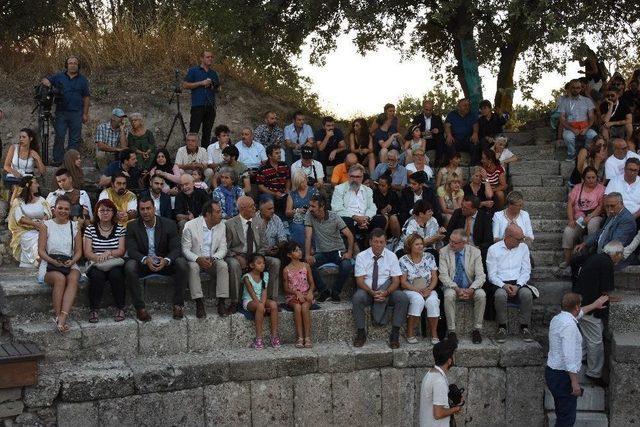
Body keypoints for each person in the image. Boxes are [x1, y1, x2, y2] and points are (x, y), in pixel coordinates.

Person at [546, 293, 610, 427]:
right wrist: (575, 383)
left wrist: (595, 305)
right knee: (567, 419)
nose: (580, 308)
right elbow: (569, 357)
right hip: (563, 377)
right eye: (579, 305)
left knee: (562, 414)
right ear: (575, 306)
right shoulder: (569, 326)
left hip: (552, 373)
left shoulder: (558, 319)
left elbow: (579, 313)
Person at [125, 196, 189, 321]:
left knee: (181, 263)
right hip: (144, 264)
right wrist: (145, 259)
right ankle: (140, 308)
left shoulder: (168, 224)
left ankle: (178, 305)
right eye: (142, 209)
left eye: (148, 208)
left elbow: (176, 248)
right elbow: (132, 250)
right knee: (129, 266)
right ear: (139, 210)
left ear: (154, 209)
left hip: (164, 263)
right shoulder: (132, 226)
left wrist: (165, 260)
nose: (145, 212)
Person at [573, 241, 623, 387]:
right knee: (595, 341)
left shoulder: (597, 257)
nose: (621, 259)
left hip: (582, 302)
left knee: (585, 336)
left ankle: (580, 358)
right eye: (621, 255)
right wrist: (608, 297)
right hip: (590, 307)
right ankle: (594, 373)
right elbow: (605, 289)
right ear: (617, 254)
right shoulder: (607, 263)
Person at [352, 228, 409, 349]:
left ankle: (395, 334)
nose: (378, 245)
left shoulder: (392, 256)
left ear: (385, 243)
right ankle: (361, 333)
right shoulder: (362, 256)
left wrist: (386, 292)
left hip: (387, 290)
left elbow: (396, 281)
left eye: (381, 242)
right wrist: (371, 292)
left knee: (403, 298)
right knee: (357, 298)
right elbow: (359, 281)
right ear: (370, 242)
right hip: (367, 291)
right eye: (376, 241)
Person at [225, 196, 281, 313]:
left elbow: (263, 245)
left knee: (275, 262)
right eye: (252, 207)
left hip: (255, 254)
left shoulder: (259, 222)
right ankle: (235, 301)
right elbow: (224, 247)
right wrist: (236, 256)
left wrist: (259, 257)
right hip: (237, 255)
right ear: (242, 209)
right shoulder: (230, 224)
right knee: (234, 264)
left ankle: (271, 299)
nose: (255, 209)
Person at [37, 196, 83, 333]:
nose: (63, 211)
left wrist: (72, 261)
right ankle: (57, 316)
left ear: (70, 210)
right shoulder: (46, 225)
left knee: (74, 277)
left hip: (69, 262)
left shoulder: (74, 226)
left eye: (66, 209)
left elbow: (79, 251)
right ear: (54, 209)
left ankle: (63, 316)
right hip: (50, 263)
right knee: (60, 278)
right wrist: (52, 261)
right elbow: (41, 250)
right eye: (60, 208)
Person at [486, 224, 534, 343]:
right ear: (508, 237)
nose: (522, 241)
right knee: (500, 295)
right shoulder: (493, 249)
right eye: (519, 239)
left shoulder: (523, 247)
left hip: (519, 282)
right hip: (500, 283)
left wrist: (518, 286)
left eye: (522, 238)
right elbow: (492, 275)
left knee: (527, 294)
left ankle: (525, 327)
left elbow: (526, 270)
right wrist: (503, 285)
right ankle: (502, 327)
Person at [182, 200, 229, 318]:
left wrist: (214, 258)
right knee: (192, 267)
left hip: (212, 259)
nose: (221, 215)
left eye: (221, 212)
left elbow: (223, 249)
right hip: (196, 259)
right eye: (218, 212)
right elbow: (185, 250)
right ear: (208, 214)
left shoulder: (222, 225)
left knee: (223, 265)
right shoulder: (190, 225)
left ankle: (222, 302)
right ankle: (199, 302)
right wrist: (198, 259)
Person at [40, 56, 90, 165]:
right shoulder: (59, 76)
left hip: (77, 113)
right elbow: (44, 80)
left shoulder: (83, 80)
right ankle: (58, 160)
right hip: (61, 112)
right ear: (66, 65)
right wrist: (49, 83)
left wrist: (85, 114)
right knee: (59, 136)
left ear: (78, 66)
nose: (72, 65)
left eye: (75, 63)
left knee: (75, 139)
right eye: (70, 63)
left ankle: (71, 162)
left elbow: (86, 97)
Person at [305, 194, 355, 302]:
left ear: (322, 206)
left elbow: (350, 235)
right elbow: (308, 236)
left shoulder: (334, 217)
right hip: (321, 252)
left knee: (347, 265)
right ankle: (324, 291)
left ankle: (336, 292)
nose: (310, 209)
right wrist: (307, 255)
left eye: (313, 206)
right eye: (310, 206)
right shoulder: (309, 215)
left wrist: (349, 252)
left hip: (338, 251)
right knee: (308, 263)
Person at [440, 229, 487, 344]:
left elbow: (481, 276)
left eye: (455, 242)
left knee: (481, 294)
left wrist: (471, 289)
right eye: (450, 241)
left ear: (464, 243)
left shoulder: (475, 252)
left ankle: (477, 330)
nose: (451, 244)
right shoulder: (443, 251)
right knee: (449, 295)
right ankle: (451, 331)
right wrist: (456, 288)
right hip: (452, 287)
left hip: (470, 287)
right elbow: (443, 275)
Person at [83, 199, 126, 323]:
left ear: (113, 213)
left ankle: (120, 307)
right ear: (97, 212)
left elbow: (121, 250)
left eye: (108, 210)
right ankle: (94, 309)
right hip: (96, 262)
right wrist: (98, 258)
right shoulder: (90, 229)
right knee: (97, 276)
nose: (105, 213)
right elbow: (87, 252)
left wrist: (109, 253)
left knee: (116, 275)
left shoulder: (120, 229)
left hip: (113, 262)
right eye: (102, 210)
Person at [573, 193, 636, 271]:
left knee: (586, 265)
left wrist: (599, 255)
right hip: (602, 253)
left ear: (621, 204)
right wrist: (584, 243)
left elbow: (616, 243)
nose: (609, 209)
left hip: (613, 256)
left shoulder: (626, 220)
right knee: (575, 261)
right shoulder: (613, 214)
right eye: (607, 206)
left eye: (612, 206)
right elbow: (600, 232)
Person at [331, 164, 386, 247]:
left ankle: (370, 244)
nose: (354, 179)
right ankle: (355, 246)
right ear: (348, 176)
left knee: (381, 219)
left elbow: (372, 207)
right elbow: (337, 209)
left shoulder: (368, 190)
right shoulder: (339, 189)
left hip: (365, 221)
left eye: (357, 177)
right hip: (350, 220)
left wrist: (366, 218)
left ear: (362, 177)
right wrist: (355, 218)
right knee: (346, 220)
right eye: (352, 176)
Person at [399, 234, 440, 344]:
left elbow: (435, 277)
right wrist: (417, 290)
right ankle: (410, 332)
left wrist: (429, 289)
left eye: (421, 244)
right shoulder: (403, 260)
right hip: (411, 289)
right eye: (417, 244)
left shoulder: (429, 257)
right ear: (410, 246)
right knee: (418, 300)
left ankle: (434, 333)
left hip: (428, 288)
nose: (420, 246)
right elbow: (403, 282)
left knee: (433, 301)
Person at [561, 167, 605, 268]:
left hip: (595, 216)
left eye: (593, 177)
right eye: (588, 177)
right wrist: (571, 220)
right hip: (579, 219)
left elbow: (601, 206)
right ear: (584, 178)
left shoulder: (601, 189)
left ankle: (590, 258)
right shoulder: (577, 188)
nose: (591, 180)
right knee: (568, 232)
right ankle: (567, 260)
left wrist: (590, 216)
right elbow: (570, 204)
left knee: (593, 225)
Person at [8, 176, 50, 268]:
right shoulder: (18, 201)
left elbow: (48, 213)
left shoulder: (41, 200)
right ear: (29, 186)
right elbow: (19, 218)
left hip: (42, 228)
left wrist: (43, 222)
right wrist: (35, 224)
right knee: (36, 238)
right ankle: (39, 258)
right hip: (25, 230)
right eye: (35, 183)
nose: (38, 185)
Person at [419, 339, 463, 427]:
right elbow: (438, 414)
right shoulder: (439, 381)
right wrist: (457, 409)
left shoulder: (431, 373)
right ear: (449, 360)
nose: (454, 357)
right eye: (453, 355)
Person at [242, 254, 281, 349]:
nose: (262, 265)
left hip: (260, 300)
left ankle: (274, 336)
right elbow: (252, 295)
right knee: (259, 306)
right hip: (250, 300)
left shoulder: (265, 275)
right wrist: (261, 306)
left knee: (273, 304)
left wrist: (262, 305)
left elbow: (264, 293)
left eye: (263, 263)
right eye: (259, 263)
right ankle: (259, 339)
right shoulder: (247, 277)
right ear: (251, 265)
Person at [183, 50, 220, 148]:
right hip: (197, 106)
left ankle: (204, 157)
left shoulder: (214, 73)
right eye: (208, 57)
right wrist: (201, 83)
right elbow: (185, 85)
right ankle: (190, 155)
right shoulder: (194, 70)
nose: (210, 59)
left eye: (211, 57)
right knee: (193, 132)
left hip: (211, 106)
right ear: (202, 58)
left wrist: (213, 86)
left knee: (207, 133)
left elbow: (218, 88)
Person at [283, 241, 315, 348]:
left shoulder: (306, 266)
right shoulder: (286, 269)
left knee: (305, 307)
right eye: (296, 251)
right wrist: (296, 292)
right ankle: (300, 337)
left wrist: (310, 292)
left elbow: (312, 283)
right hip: (292, 297)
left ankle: (307, 337)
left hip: (306, 294)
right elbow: (286, 288)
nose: (299, 252)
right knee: (297, 307)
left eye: (299, 249)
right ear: (289, 255)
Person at [558, 79, 598, 162]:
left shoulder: (587, 101)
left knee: (593, 135)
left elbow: (591, 117)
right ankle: (571, 154)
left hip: (585, 127)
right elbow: (562, 119)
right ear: (569, 88)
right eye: (573, 87)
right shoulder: (564, 102)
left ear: (580, 89)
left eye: (578, 88)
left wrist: (586, 128)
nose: (576, 90)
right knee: (568, 137)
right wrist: (572, 129)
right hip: (570, 128)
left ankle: (587, 152)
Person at [446, 195, 494, 260]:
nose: (462, 209)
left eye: (465, 208)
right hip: (457, 246)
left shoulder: (485, 217)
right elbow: (449, 232)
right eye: (462, 206)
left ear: (474, 209)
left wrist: (477, 248)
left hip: (475, 248)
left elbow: (488, 240)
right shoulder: (458, 213)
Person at [257, 145, 290, 217]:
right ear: (269, 155)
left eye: (280, 153)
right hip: (269, 193)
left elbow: (288, 179)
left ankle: (287, 221)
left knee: (290, 197)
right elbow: (261, 187)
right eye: (276, 153)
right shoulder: (262, 168)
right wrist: (274, 193)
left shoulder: (284, 165)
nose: (279, 155)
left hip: (283, 192)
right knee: (267, 198)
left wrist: (287, 190)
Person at [444, 98, 480, 165]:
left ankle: (473, 165)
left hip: (468, 139)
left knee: (475, 143)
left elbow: (475, 125)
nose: (467, 107)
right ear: (458, 107)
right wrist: (449, 135)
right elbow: (447, 125)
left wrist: (475, 133)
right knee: (449, 143)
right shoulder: (452, 114)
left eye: (468, 105)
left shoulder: (471, 115)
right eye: (465, 105)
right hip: (456, 139)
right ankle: (454, 164)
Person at [605, 158, 640, 223]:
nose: (633, 173)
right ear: (625, 169)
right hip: (615, 216)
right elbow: (606, 198)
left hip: (636, 217)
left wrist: (633, 216)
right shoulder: (614, 180)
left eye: (635, 170)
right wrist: (610, 213)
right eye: (630, 169)